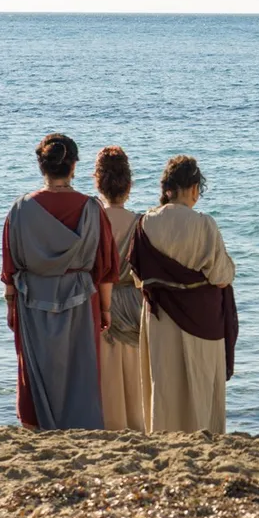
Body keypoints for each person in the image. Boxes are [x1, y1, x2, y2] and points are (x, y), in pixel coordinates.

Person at [1, 133, 118, 430]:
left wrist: (11, 306)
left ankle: (37, 426)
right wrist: (105, 310)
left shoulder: (19, 210)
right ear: (74, 166)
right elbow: (104, 267)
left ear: (42, 167)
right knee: (80, 372)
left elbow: (10, 268)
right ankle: (81, 428)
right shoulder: (92, 210)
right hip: (81, 301)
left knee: (37, 371)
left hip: (32, 300)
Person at [130, 156, 238, 433]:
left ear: (167, 188)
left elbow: (138, 277)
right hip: (203, 318)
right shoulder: (204, 224)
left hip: (160, 318)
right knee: (200, 384)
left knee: (165, 383)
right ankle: (205, 433)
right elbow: (221, 275)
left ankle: (163, 432)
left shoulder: (144, 223)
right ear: (193, 188)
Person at [94, 146, 145, 431]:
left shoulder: (92, 221)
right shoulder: (140, 223)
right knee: (133, 372)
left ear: (98, 182)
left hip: (103, 298)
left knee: (107, 373)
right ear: (129, 184)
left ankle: (107, 425)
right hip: (133, 301)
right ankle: (137, 426)